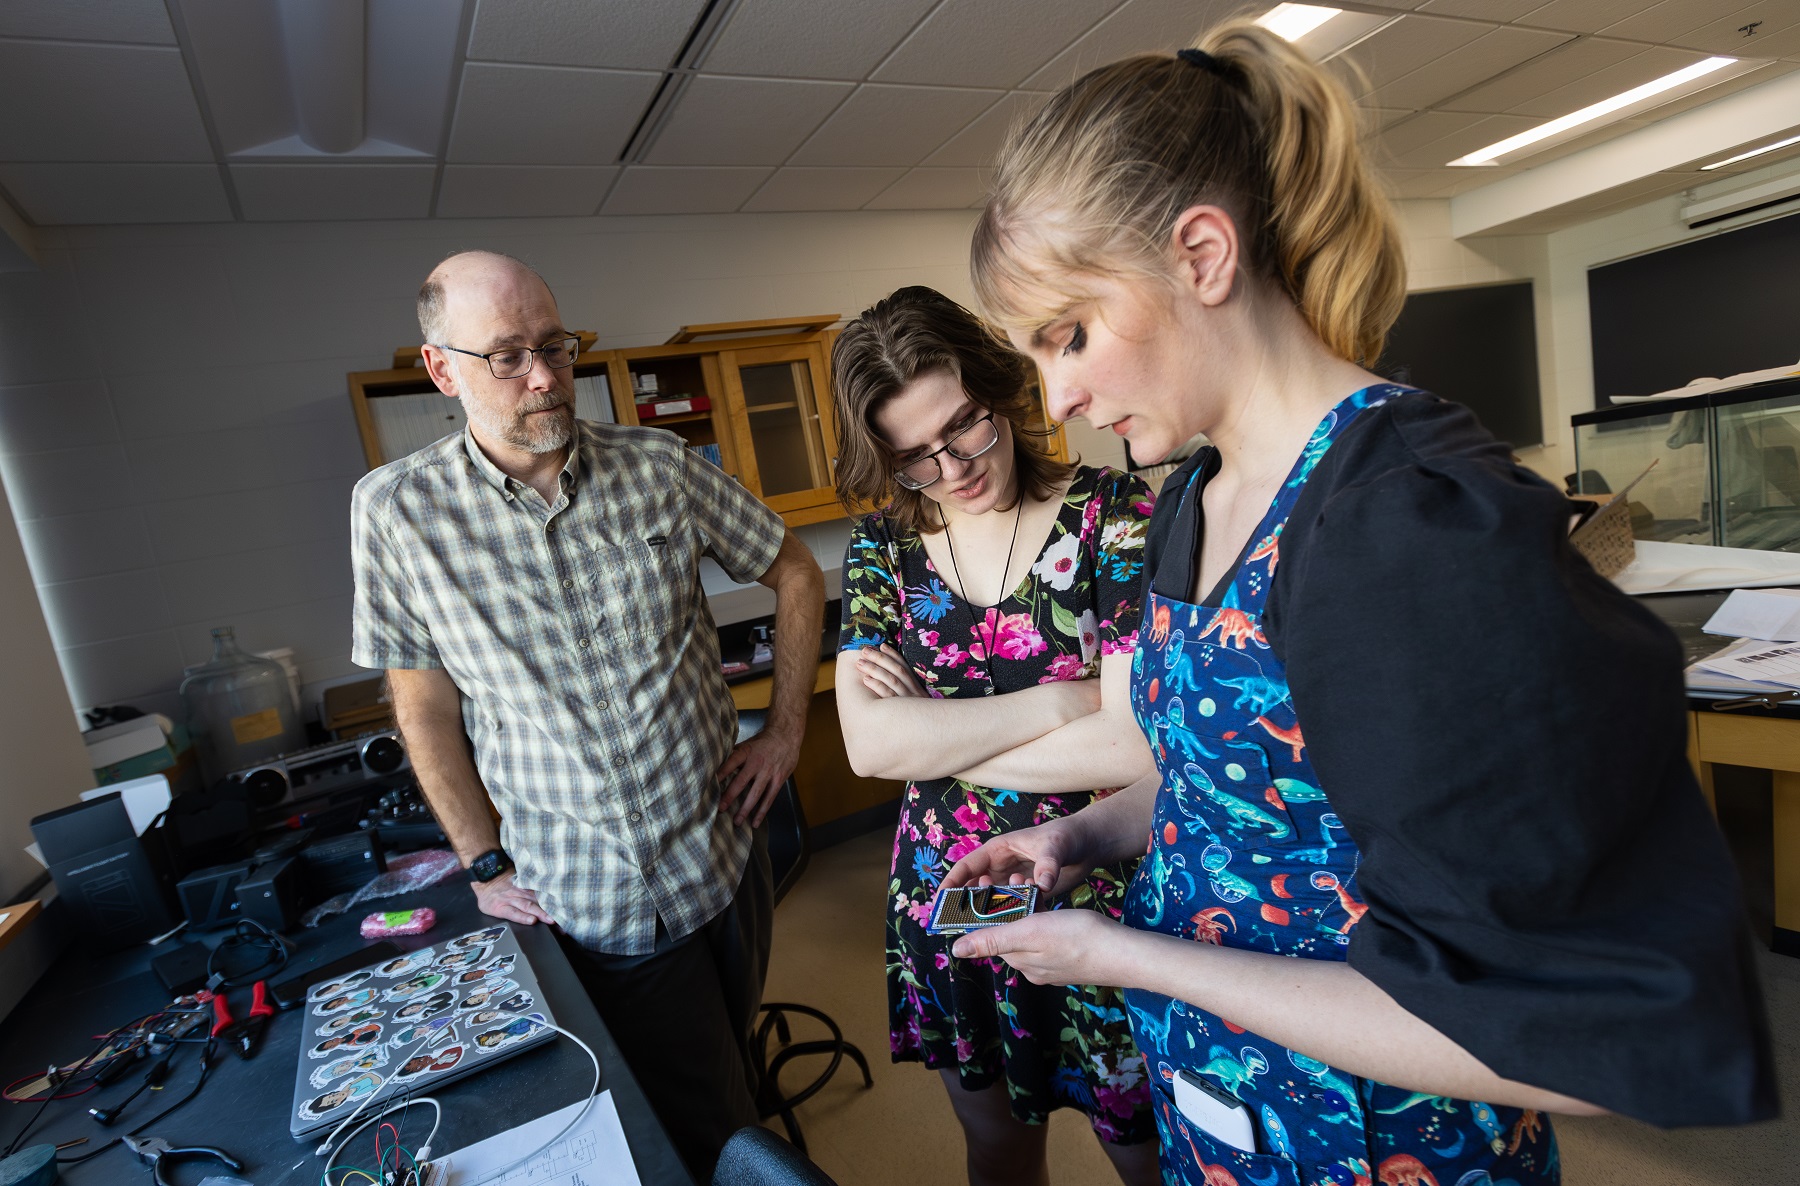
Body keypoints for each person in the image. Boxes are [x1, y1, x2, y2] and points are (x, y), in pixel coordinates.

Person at [942, 22, 1777, 1186]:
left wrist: (1128, 958)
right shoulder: (1199, 493)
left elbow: (1574, 1039)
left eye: (1070, 335)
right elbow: (1234, 768)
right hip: (1219, 1114)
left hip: (1372, 1144)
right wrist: (1081, 836)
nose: (1062, 396)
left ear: (1201, 254)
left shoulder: (1406, 529)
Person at [350, 250, 826, 1178]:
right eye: (507, 356)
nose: (544, 378)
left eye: (555, 347)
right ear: (442, 369)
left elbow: (795, 570)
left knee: (732, 1065)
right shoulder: (397, 513)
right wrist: (481, 862)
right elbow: (425, 709)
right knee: (686, 1126)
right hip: (589, 900)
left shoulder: (658, 464)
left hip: (728, 856)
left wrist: (785, 731)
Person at [832, 286, 1162, 1186]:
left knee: (1150, 1155)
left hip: (1098, 879)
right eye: (917, 458)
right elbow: (869, 750)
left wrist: (932, 739)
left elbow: (1136, 748)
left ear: (999, 391)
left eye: (968, 426)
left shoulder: (1113, 512)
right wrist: (1064, 702)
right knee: (997, 1148)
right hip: (949, 898)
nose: (956, 468)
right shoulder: (881, 551)